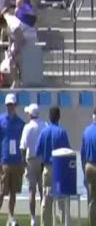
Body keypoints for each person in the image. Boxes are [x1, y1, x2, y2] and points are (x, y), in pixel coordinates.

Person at [35, 106, 71, 226]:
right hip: (60, 168)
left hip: (47, 168)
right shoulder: (62, 132)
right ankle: (64, 223)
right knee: (62, 199)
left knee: (46, 199)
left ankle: (45, 223)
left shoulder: (44, 132)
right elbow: (67, 151)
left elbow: (37, 151)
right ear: (59, 117)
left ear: (49, 117)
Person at [0, 93, 25, 226]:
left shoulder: (20, 123)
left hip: (16, 161)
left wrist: (23, 162)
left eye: (12, 104)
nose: (10, 107)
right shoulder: (1, 121)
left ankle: (10, 217)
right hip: (4, 160)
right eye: (8, 105)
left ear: (16, 105)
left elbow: (24, 144)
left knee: (13, 192)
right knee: (2, 191)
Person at [20, 103, 46, 226]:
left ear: (30, 114)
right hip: (42, 160)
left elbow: (23, 146)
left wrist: (22, 161)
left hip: (31, 159)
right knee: (42, 190)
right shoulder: (44, 125)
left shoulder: (27, 127)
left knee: (32, 190)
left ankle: (33, 218)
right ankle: (44, 216)